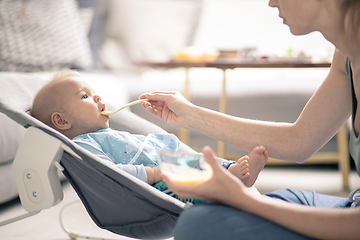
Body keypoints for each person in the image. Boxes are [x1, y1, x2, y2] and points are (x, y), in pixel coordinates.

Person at [139, 0, 360, 239]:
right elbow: (299, 141)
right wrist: (190, 115)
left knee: (200, 224)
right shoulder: (346, 54)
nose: (271, 2)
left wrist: (241, 198)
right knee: (265, 203)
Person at [30, 70, 268, 204]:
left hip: (167, 165)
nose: (98, 99)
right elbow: (112, 173)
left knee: (202, 163)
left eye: (95, 94)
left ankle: (231, 171)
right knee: (191, 186)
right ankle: (225, 186)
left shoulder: (105, 133)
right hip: (156, 185)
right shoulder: (84, 145)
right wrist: (154, 173)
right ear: (62, 121)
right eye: (85, 97)